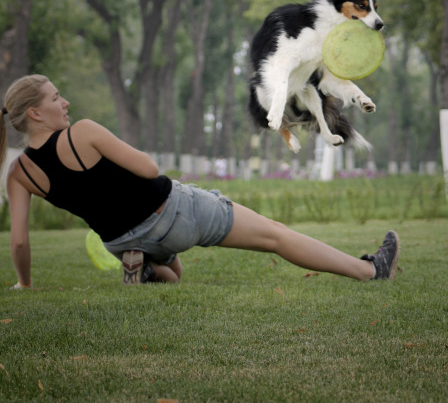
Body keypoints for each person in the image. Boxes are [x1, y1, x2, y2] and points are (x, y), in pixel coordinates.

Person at [1, 74, 400, 290]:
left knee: (173, 277)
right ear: (35, 114)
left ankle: (144, 268)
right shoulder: (83, 131)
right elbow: (148, 169)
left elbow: (18, 240)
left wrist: (25, 283)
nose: (65, 102)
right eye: (56, 98)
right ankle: (370, 271)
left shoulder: (20, 174)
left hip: (120, 241)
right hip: (172, 214)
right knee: (275, 235)